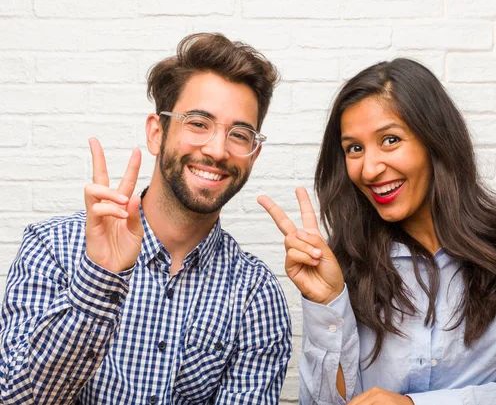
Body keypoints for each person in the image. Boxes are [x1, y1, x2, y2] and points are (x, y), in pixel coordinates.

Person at [258, 58, 496, 405]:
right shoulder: (342, 265)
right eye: (354, 148)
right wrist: (327, 303)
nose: (369, 169)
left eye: (390, 140)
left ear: (435, 141)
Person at [0, 33, 291, 405]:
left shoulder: (256, 294)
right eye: (198, 123)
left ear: (253, 154)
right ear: (157, 133)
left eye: (239, 134)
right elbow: (16, 399)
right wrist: (97, 283)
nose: (218, 150)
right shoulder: (52, 247)